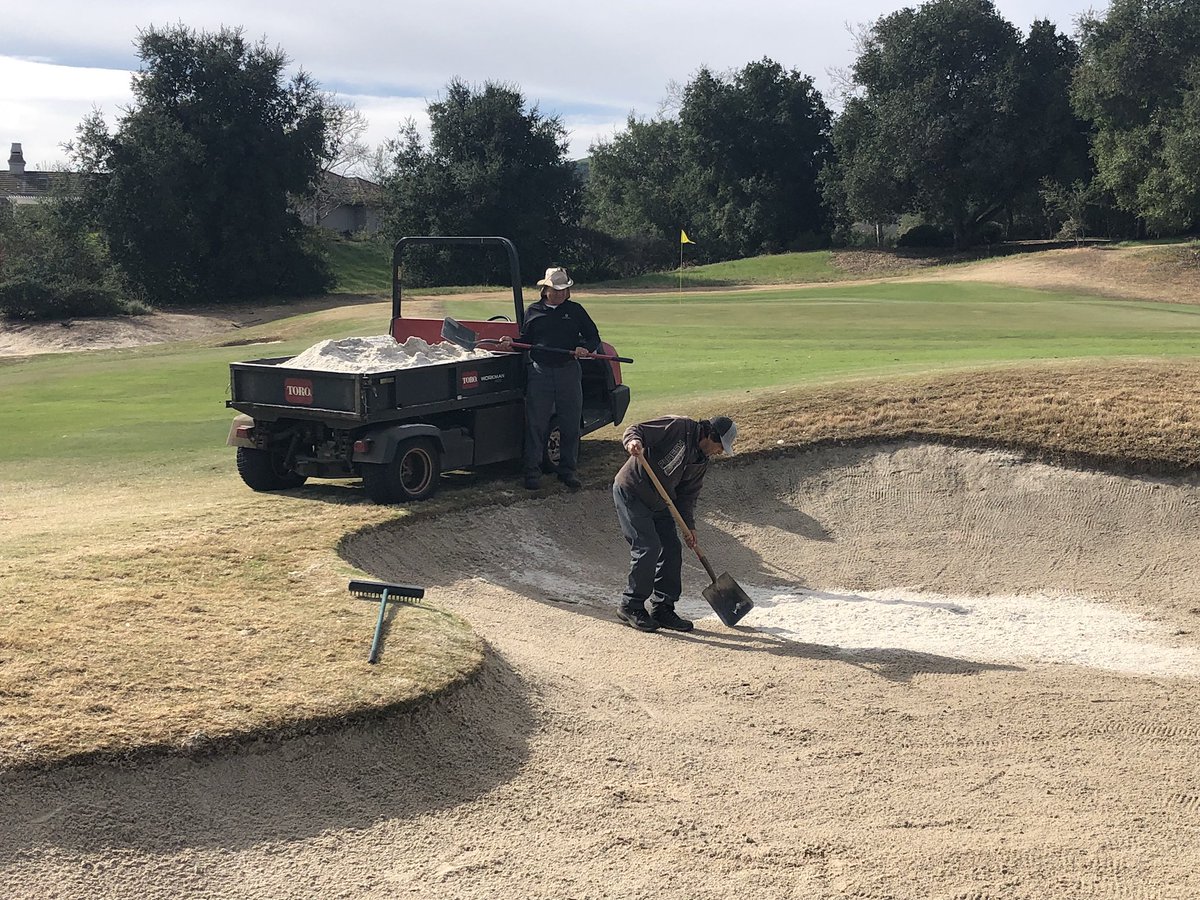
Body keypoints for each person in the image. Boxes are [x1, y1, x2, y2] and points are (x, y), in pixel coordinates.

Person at [611, 414, 738, 632]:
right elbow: (636, 429)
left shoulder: (700, 461)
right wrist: (633, 441)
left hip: (660, 501)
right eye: (719, 446)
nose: (719, 451)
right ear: (711, 435)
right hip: (632, 491)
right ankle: (631, 605)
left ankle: (663, 608)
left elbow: (687, 496)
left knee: (671, 548)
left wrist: (689, 526)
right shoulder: (679, 427)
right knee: (648, 547)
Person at [499, 266, 603, 491]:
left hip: (568, 370)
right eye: (555, 289)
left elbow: (593, 336)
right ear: (544, 289)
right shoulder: (533, 311)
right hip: (540, 372)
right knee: (536, 424)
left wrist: (584, 348)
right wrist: (512, 342)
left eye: (563, 290)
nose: (559, 293)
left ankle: (568, 471)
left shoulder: (575, 310)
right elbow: (526, 340)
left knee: (570, 423)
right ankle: (532, 472)